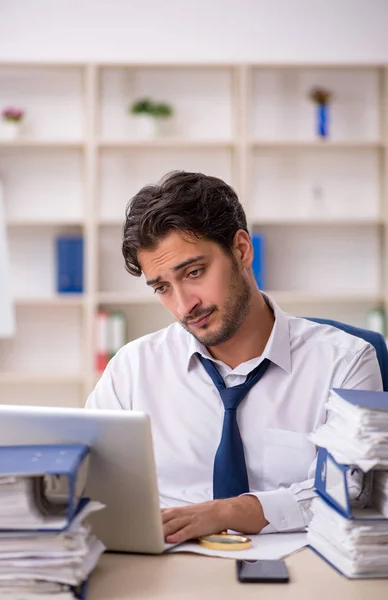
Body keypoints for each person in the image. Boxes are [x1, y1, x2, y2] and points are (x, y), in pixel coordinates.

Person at [86, 171, 382, 544]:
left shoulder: (346, 362)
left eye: (194, 272)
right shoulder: (132, 369)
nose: (183, 305)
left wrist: (226, 512)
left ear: (241, 249)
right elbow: (91, 484)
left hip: (302, 573)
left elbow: (359, 489)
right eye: (162, 287)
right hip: (170, 571)